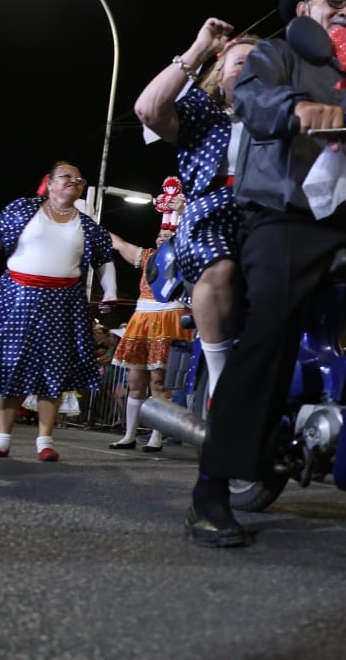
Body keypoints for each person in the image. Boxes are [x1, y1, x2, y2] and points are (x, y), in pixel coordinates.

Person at [178, 0, 346, 548]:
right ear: (303, 9)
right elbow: (256, 101)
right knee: (271, 329)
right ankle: (209, 492)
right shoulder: (277, 56)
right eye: (334, 0)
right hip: (285, 217)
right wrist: (296, 108)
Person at [135, 22, 262, 418]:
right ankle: (222, 387)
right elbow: (147, 110)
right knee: (220, 266)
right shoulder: (201, 111)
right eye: (239, 61)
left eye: (259, 63)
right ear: (219, 72)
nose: (248, 68)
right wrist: (200, 48)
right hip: (213, 209)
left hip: (271, 209)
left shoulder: (284, 116)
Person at [0, 161, 118, 462]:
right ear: (49, 183)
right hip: (17, 295)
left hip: (63, 300)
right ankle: (2, 439)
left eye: (79, 179)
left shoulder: (86, 223)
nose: (74, 182)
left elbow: (105, 258)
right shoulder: (24, 208)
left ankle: (44, 440)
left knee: (55, 368)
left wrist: (111, 291)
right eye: (67, 177)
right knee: (10, 365)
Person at [107, 224, 193, 452]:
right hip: (142, 318)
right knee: (135, 381)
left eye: (168, 235)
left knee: (159, 381)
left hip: (168, 316)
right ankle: (129, 435)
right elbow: (120, 244)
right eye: (159, 235)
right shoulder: (147, 257)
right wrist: (87, 223)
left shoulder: (185, 257)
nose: (161, 238)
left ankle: (156, 436)